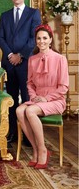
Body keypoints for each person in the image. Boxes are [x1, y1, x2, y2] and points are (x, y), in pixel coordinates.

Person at [16, 24, 69, 169]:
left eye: (45, 38)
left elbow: (64, 87)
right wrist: (33, 97)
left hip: (55, 100)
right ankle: (36, 149)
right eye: (38, 38)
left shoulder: (60, 59)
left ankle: (43, 150)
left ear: (50, 40)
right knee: (19, 110)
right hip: (37, 99)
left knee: (30, 111)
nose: (41, 41)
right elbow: (30, 83)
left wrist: (46, 98)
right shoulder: (32, 59)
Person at [0, 0, 41, 143]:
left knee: (28, 97)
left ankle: (29, 136)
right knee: (11, 99)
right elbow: (0, 38)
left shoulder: (33, 13)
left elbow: (34, 38)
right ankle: (12, 133)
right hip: (9, 63)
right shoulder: (5, 15)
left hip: (26, 63)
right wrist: (10, 55)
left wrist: (20, 55)